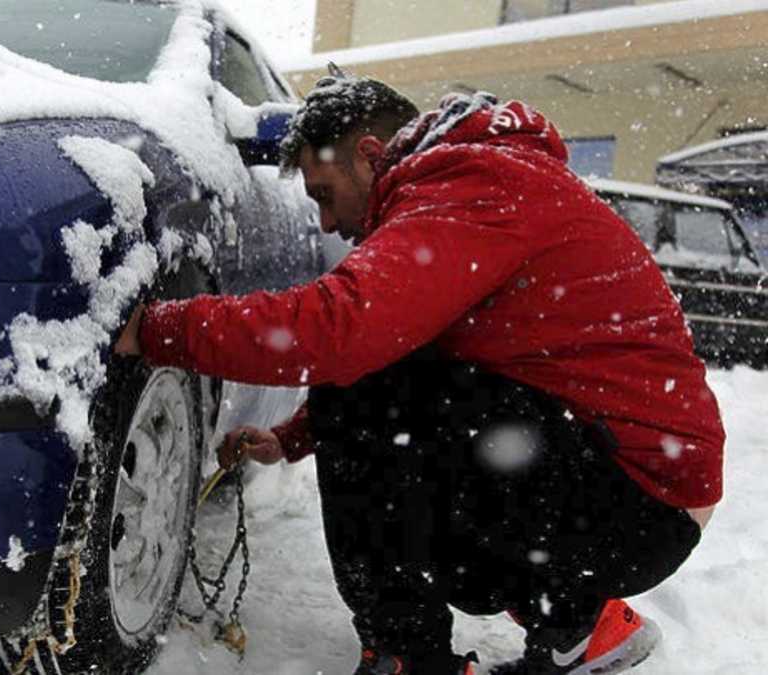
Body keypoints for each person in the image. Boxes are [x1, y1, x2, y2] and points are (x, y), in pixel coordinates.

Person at [114, 72, 723, 675]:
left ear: (370, 155)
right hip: (629, 482)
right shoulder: (480, 177)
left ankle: (408, 658)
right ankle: (579, 628)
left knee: (364, 374)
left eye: (325, 194)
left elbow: (341, 333)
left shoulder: (473, 183)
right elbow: (414, 347)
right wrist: (294, 436)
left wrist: (158, 329)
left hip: (635, 496)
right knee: (381, 375)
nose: (327, 224)